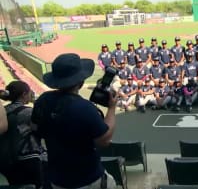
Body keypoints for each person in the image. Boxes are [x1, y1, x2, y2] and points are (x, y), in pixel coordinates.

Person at [31, 53, 117, 189]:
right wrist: (112, 108)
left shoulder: (42, 100)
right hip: (87, 179)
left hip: (57, 179)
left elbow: (36, 130)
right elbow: (104, 140)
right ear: (81, 82)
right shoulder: (84, 108)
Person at [0, 81, 44, 188]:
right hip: (28, 159)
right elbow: (42, 128)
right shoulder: (28, 112)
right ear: (24, 94)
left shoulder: (4, 110)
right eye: (29, 92)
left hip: (7, 159)